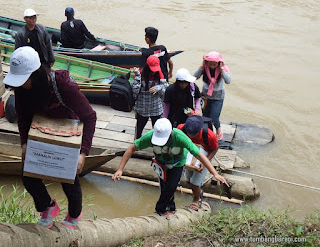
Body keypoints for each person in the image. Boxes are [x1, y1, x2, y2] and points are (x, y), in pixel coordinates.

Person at [3, 46, 96, 229]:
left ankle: (74, 215)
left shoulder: (62, 85)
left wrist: (83, 153)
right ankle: (48, 206)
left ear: (36, 75)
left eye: (24, 80)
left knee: (68, 177)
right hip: (40, 131)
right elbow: (22, 116)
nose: (20, 84)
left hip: (66, 134)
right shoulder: (22, 90)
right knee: (27, 175)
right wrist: (24, 144)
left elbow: (90, 116)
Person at [112, 118, 228, 218]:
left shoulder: (181, 137)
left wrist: (215, 173)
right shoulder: (150, 136)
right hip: (161, 164)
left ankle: (160, 210)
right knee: (164, 188)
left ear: (170, 133)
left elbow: (199, 155)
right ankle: (171, 209)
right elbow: (131, 148)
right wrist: (120, 169)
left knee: (172, 186)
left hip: (177, 164)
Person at [177, 115, 218, 211]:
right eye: (189, 134)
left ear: (199, 130)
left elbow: (215, 149)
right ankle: (198, 192)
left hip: (204, 156)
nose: (191, 136)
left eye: (194, 135)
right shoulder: (181, 128)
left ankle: (197, 199)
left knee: (195, 182)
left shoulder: (209, 135)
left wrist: (204, 162)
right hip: (189, 154)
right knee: (188, 179)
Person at [194, 51, 231, 140]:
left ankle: (218, 130)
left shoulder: (223, 68)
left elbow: (228, 81)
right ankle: (209, 134)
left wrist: (222, 69)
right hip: (205, 96)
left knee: (214, 117)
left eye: (214, 64)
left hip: (218, 97)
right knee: (205, 117)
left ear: (219, 63)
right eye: (210, 64)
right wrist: (201, 66)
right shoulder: (204, 68)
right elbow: (194, 77)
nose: (212, 66)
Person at [132, 55, 169, 139]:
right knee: (139, 129)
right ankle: (136, 144)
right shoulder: (139, 74)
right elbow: (134, 91)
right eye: (152, 70)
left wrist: (158, 88)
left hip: (156, 107)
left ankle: (157, 144)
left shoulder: (160, 75)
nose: (153, 72)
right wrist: (137, 76)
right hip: (142, 107)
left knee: (157, 129)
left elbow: (166, 88)